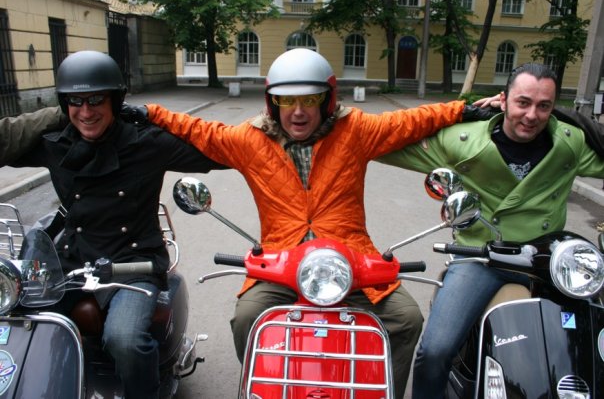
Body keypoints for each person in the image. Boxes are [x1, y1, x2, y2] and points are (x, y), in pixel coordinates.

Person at [125, 47, 495, 398]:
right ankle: (270, 386)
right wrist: (150, 112)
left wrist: (463, 110)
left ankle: (379, 391)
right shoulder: (249, 140)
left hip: (351, 260)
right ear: (273, 103)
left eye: (310, 99)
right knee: (247, 319)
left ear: (327, 100)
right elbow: (200, 131)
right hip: (280, 263)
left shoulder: (356, 130)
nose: (298, 112)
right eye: (287, 101)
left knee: (406, 319)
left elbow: (411, 121)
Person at [3, 50, 224, 399]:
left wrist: (157, 115)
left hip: (133, 264)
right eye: (75, 101)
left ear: (115, 101)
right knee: (21, 325)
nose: (86, 111)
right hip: (72, 261)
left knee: (125, 339)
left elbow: (220, 149)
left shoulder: (145, 142)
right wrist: (54, 116)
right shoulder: (56, 142)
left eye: (96, 100)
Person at [378, 63, 604, 398]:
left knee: (587, 344)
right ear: (503, 99)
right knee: (435, 350)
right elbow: (384, 140)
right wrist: (456, 112)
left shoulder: (568, 143)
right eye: (523, 102)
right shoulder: (465, 141)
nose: (531, 116)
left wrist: (571, 118)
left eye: (544, 106)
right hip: (482, 258)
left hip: (547, 261)